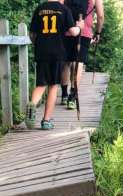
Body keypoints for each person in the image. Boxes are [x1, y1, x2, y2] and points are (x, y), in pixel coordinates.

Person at [25, 0, 84, 130]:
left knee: (41, 84)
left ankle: (32, 104)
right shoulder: (64, 10)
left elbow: (32, 34)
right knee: (53, 86)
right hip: (58, 52)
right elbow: (73, 32)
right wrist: (80, 27)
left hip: (42, 52)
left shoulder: (39, 9)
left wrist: (38, 44)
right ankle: (46, 121)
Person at [61, 0, 105, 108]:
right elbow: (100, 16)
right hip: (84, 32)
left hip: (66, 30)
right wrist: (98, 32)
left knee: (65, 62)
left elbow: (59, 8)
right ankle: (72, 96)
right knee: (79, 62)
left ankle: (64, 95)